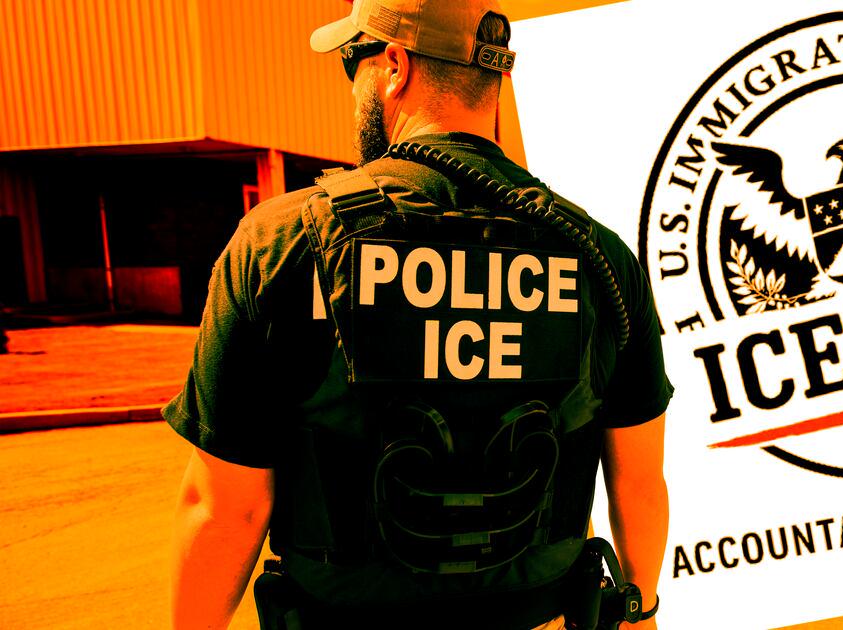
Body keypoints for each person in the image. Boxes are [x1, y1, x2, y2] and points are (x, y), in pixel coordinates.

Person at [165, 1, 672, 629]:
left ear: (394, 66)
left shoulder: (283, 242)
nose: (352, 87)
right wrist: (641, 610)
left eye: (353, 63)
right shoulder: (598, 255)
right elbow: (639, 481)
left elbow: (225, 511)